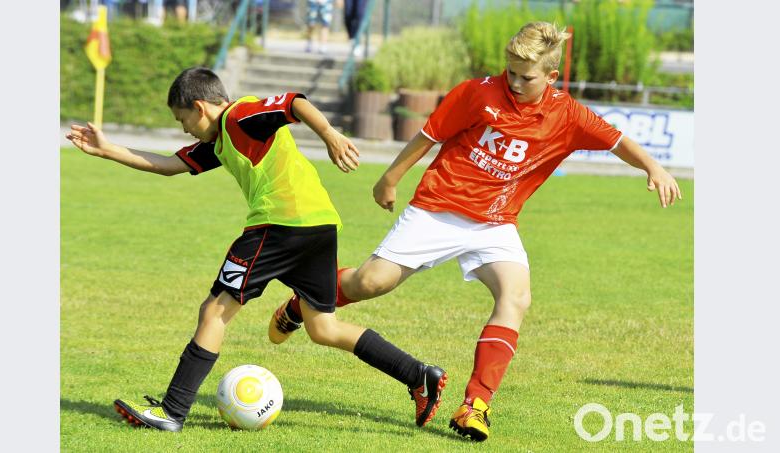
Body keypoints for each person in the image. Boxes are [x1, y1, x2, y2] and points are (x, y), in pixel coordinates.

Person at [268, 22, 683, 442]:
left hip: (496, 224)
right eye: (511, 73)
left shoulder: (568, 116)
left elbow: (617, 142)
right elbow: (428, 135)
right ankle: (305, 303)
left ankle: (475, 405)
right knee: (370, 283)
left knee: (516, 296)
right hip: (438, 209)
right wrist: (390, 179)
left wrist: (653, 167)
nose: (515, 83)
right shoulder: (478, 93)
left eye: (527, 77)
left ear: (552, 78)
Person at [65, 67, 447, 432]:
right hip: (319, 225)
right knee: (323, 328)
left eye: (183, 120)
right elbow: (168, 165)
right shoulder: (219, 141)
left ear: (200, 107)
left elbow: (294, 102)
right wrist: (107, 149)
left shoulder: (239, 116)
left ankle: (172, 410)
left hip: (279, 224)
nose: (183, 129)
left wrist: (330, 134)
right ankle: (418, 375)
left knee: (215, 310)